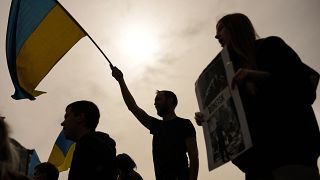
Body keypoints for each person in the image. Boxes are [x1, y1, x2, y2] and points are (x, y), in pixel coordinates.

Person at [195, 13, 320, 180]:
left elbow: (304, 86)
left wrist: (258, 77)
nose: (216, 36)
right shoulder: (228, 74)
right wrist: (211, 118)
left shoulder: (270, 46)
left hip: (291, 155)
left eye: (221, 28)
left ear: (236, 28)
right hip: (257, 166)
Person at [111, 66, 199, 180]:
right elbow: (132, 107)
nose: (155, 103)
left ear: (170, 100)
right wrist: (121, 80)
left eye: (158, 99)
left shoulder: (184, 124)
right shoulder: (157, 126)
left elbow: (193, 155)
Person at [61, 100, 117, 180]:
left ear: (80, 117)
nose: (62, 123)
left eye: (67, 117)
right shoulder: (100, 146)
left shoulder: (88, 147)